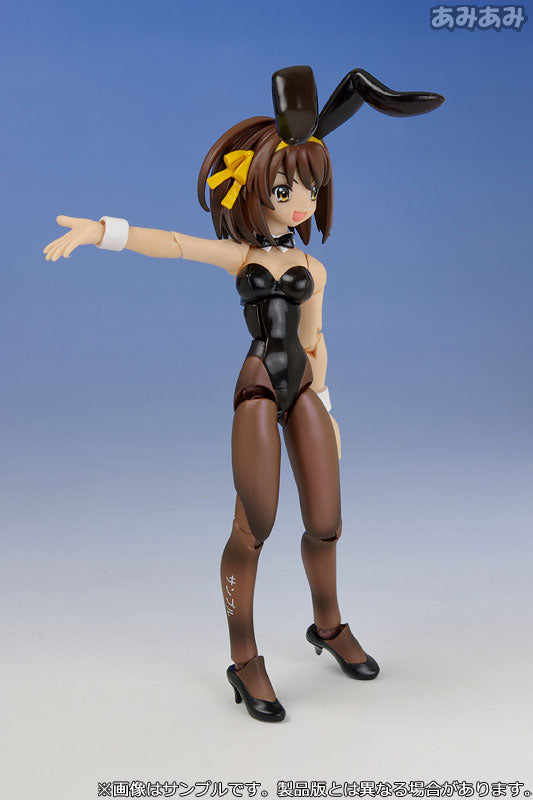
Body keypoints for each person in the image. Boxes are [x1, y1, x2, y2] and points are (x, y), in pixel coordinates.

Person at [43, 65, 444, 723]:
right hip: (258, 387)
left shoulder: (313, 268)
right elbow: (174, 245)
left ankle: (328, 625)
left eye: (311, 188)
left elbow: (314, 340)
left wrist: (328, 408)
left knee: (326, 520)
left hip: (303, 387)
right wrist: (105, 231)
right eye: (287, 189)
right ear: (256, 188)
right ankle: (243, 655)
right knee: (254, 524)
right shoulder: (240, 255)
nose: (301, 202)